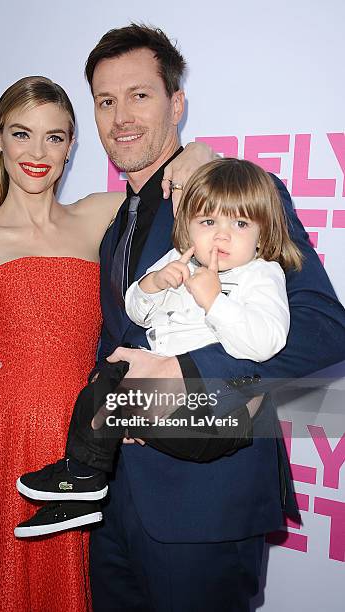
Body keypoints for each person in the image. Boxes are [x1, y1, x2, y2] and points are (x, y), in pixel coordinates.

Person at [0, 75, 212, 611]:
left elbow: (178, 178)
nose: (37, 152)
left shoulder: (101, 214)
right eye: (22, 134)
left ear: (71, 145)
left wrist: (201, 153)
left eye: (54, 137)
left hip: (82, 440)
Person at [78, 24, 344, 612]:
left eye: (140, 94)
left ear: (177, 102)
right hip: (112, 507)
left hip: (204, 504)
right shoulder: (116, 225)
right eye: (105, 100)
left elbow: (324, 326)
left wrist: (188, 372)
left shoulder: (241, 196)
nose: (121, 115)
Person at [14, 157, 303, 537]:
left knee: (113, 408)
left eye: (240, 223)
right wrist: (153, 284)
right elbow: (137, 311)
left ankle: (88, 472)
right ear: (188, 227)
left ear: (263, 234)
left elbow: (266, 343)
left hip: (216, 417)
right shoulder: (180, 259)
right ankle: (82, 484)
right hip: (164, 403)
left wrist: (216, 302)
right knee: (100, 384)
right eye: (208, 222)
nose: (221, 236)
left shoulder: (261, 274)